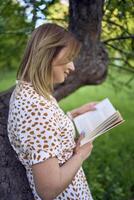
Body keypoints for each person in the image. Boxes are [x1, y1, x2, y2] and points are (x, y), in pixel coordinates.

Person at [7, 23, 97, 200]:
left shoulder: (32, 91)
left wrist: (71, 115)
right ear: (47, 54)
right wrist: (80, 156)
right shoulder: (34, 108)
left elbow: (45, 132)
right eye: (69, 58)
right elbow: (48, 189)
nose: (72, 67)